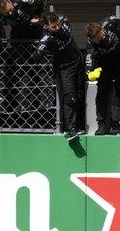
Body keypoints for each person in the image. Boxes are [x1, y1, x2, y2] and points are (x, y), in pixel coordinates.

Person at [85, 13, 120, 135]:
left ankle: (115, 124)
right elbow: (89, 58)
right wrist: (90, 73)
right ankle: (102, 125)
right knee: (101, 94)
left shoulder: (107, 22)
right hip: (104, 64)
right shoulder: (91, 43)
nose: (103, 38)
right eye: (99, 39)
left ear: (102, 29)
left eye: (102, 35)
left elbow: (119, 16)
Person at [34, 12, 85, 140]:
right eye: (53, 26)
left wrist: (56, 32)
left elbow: (66, 34)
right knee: (69, 97)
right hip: (64, 68)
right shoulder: (46, 36)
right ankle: (70, 129)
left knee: (80, 95)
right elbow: (37, 55)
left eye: (57, 25)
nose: (57, 27)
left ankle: (79, 125)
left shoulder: (64, 21)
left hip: (78, 62)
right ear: (46, 26)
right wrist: (41, 51)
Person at [0, 0, 47, 115]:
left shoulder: (20, 0)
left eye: (10, 9)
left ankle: (44, 102)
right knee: (22, 72)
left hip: (35, 36)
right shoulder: (2, 14)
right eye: (7, 13)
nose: (10, 13)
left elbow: (42, 0)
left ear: (9, 2)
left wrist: (37, 15)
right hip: (20, 41)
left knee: (41, 70)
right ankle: (23, 104)